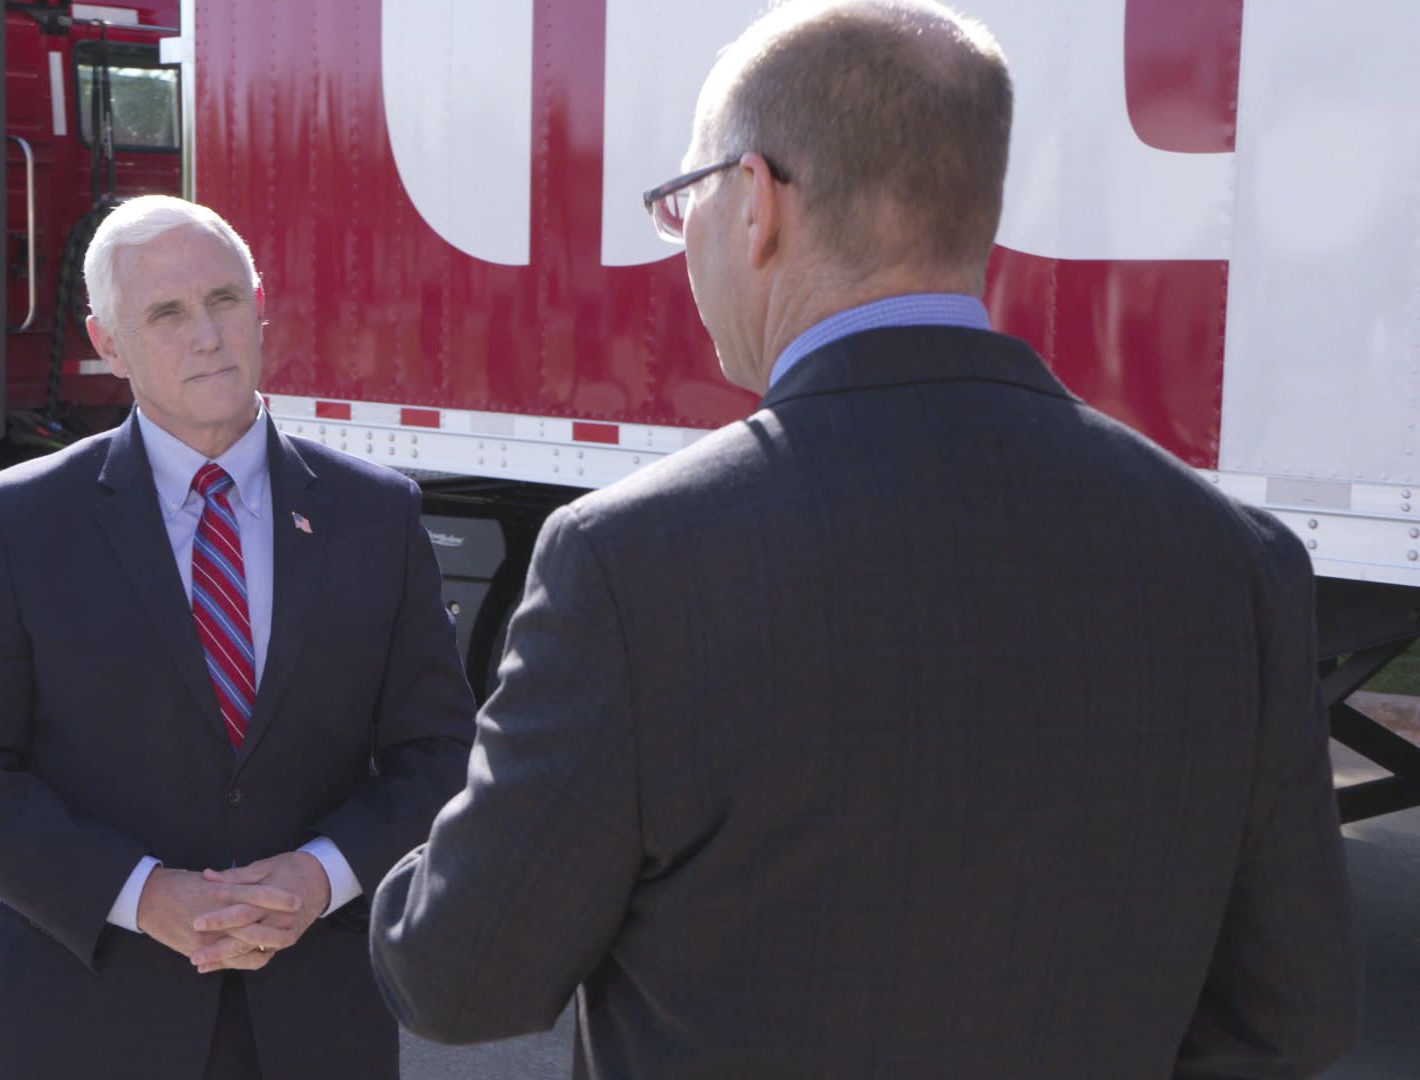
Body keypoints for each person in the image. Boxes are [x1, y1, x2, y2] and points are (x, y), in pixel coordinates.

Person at [368, 1, 1359, 1076]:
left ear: (754, 203)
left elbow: (460, 981)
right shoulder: (1235, 561)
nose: (683, 237)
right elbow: (1292, 1017)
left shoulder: (631, 565)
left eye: (679, 201)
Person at [0, 195, 474, 1079]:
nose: (207, 333)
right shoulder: (24, 523)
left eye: (225, 299)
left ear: (259, 308)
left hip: (315, 1023)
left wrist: (324, 876)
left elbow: (439, 752)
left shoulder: (376, 517)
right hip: (87, 1025)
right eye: (166, 313)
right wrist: (136, 894)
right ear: (107, 342)